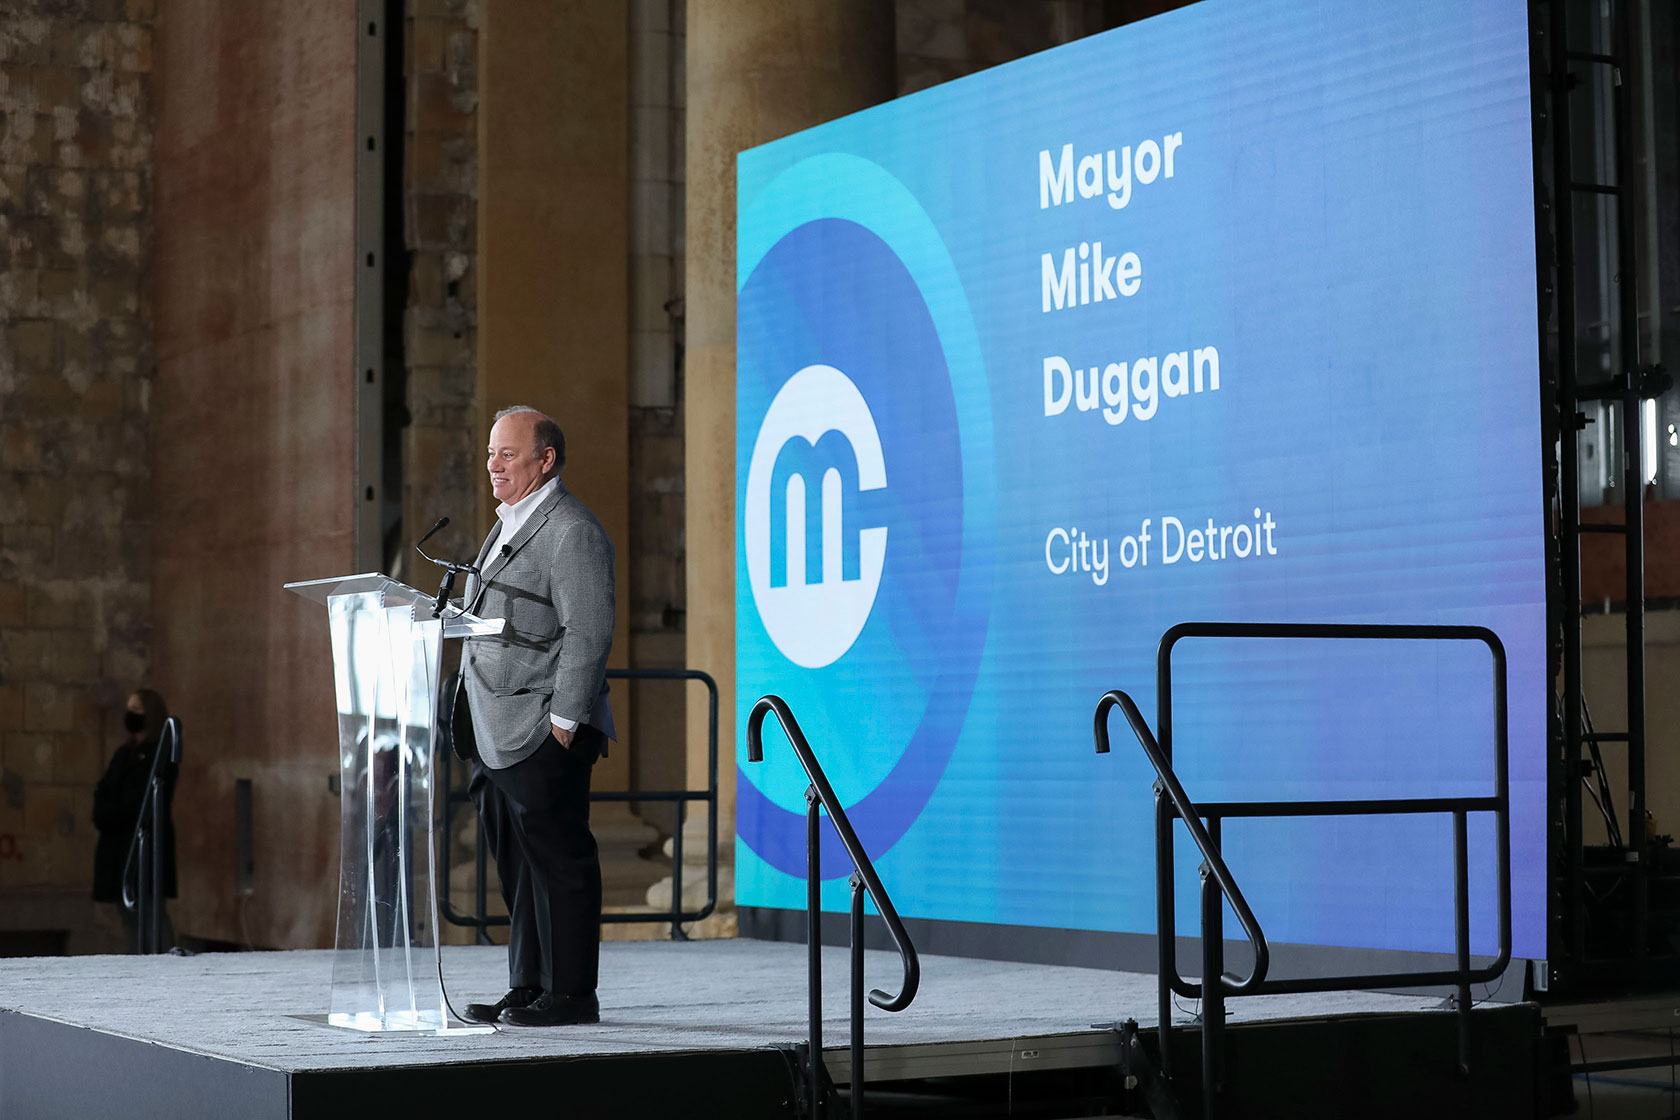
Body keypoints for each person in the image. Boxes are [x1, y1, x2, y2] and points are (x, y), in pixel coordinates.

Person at [453, 405, 616, 1027]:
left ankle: (572, 993)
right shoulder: (507, 525)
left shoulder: (571, 528)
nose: (493, 464)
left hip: (541, 729)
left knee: (560, 862)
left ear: (545, 460)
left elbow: (589, 630)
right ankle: (529, 987)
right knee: (519, 869)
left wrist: (565, 722)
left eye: (507, 454)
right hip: (492, 727)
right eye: (491, 452)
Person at [92, 688, 177, 952]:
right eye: (129, 710)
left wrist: (113, 810)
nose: (130, 715)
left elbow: (141, 800)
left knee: (151, 915)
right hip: (118, 848)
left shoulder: (159, 754)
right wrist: (108, 811)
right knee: (128, 916)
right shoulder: (123, 754)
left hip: (146, 846)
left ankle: (161, 967)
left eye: (136, 711)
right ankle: (138, 968)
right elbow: (103, 794)